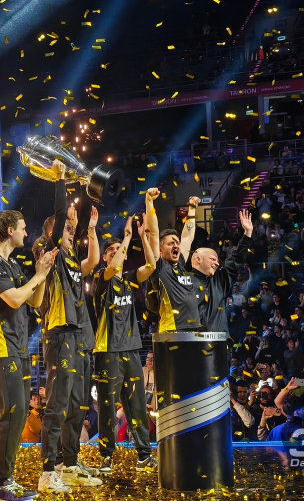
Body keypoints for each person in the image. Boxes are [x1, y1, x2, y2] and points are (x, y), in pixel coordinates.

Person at [0, 208, 57, 501]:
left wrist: (42, 273)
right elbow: (14, 298)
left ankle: (7, 478)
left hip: (18, 347)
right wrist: (38, 275)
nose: (26, 233)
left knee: (19, 414)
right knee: (12, 412)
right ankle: (0, 482)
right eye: (22, 228)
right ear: (10, 231)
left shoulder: (12, 264)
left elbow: (34, 301)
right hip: (0, 347)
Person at [37, 160, 102, 493]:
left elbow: (95, 260)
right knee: (58, 406)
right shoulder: (49, 252)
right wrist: (60, 180)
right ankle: (47, 472)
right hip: (59, 334)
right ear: (53, 233)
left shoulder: (74, 258)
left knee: (79, 404)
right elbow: (61, 215)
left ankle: (69, 463)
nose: (70, 231)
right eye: (66, 228)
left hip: (79, 336)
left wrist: (90, 228)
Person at [92, 209, 158, 474]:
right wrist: (126, 238)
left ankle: (144, 455)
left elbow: (151, 266)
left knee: (137, 406)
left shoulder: (130, 279)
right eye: (111, 250)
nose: (116, 253)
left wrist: (142, 238)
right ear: (105, 257)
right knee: (108, 407)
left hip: (131, 350)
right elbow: (111, 268)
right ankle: (106, 456)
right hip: (107, 350)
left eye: (119, 250)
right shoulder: (101, 280)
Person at [145, 194, 203, 331]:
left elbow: (188, 236)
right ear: (160, 250)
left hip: (194, 328)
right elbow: (153, 234)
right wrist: (149, 202)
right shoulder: (159, 268)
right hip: (172, 330)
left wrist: (192, 208)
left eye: (177, 243)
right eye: (171, 243)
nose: (176, 245)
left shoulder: (181, 264)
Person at [192, 209, 253, 334]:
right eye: (212, 259)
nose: (217, 263)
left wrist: (247, 234)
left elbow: (237, 259)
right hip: (191, 341)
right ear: (198, 259)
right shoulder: (184, 281)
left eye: (217, 260)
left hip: (218, 340)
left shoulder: (220, 279)